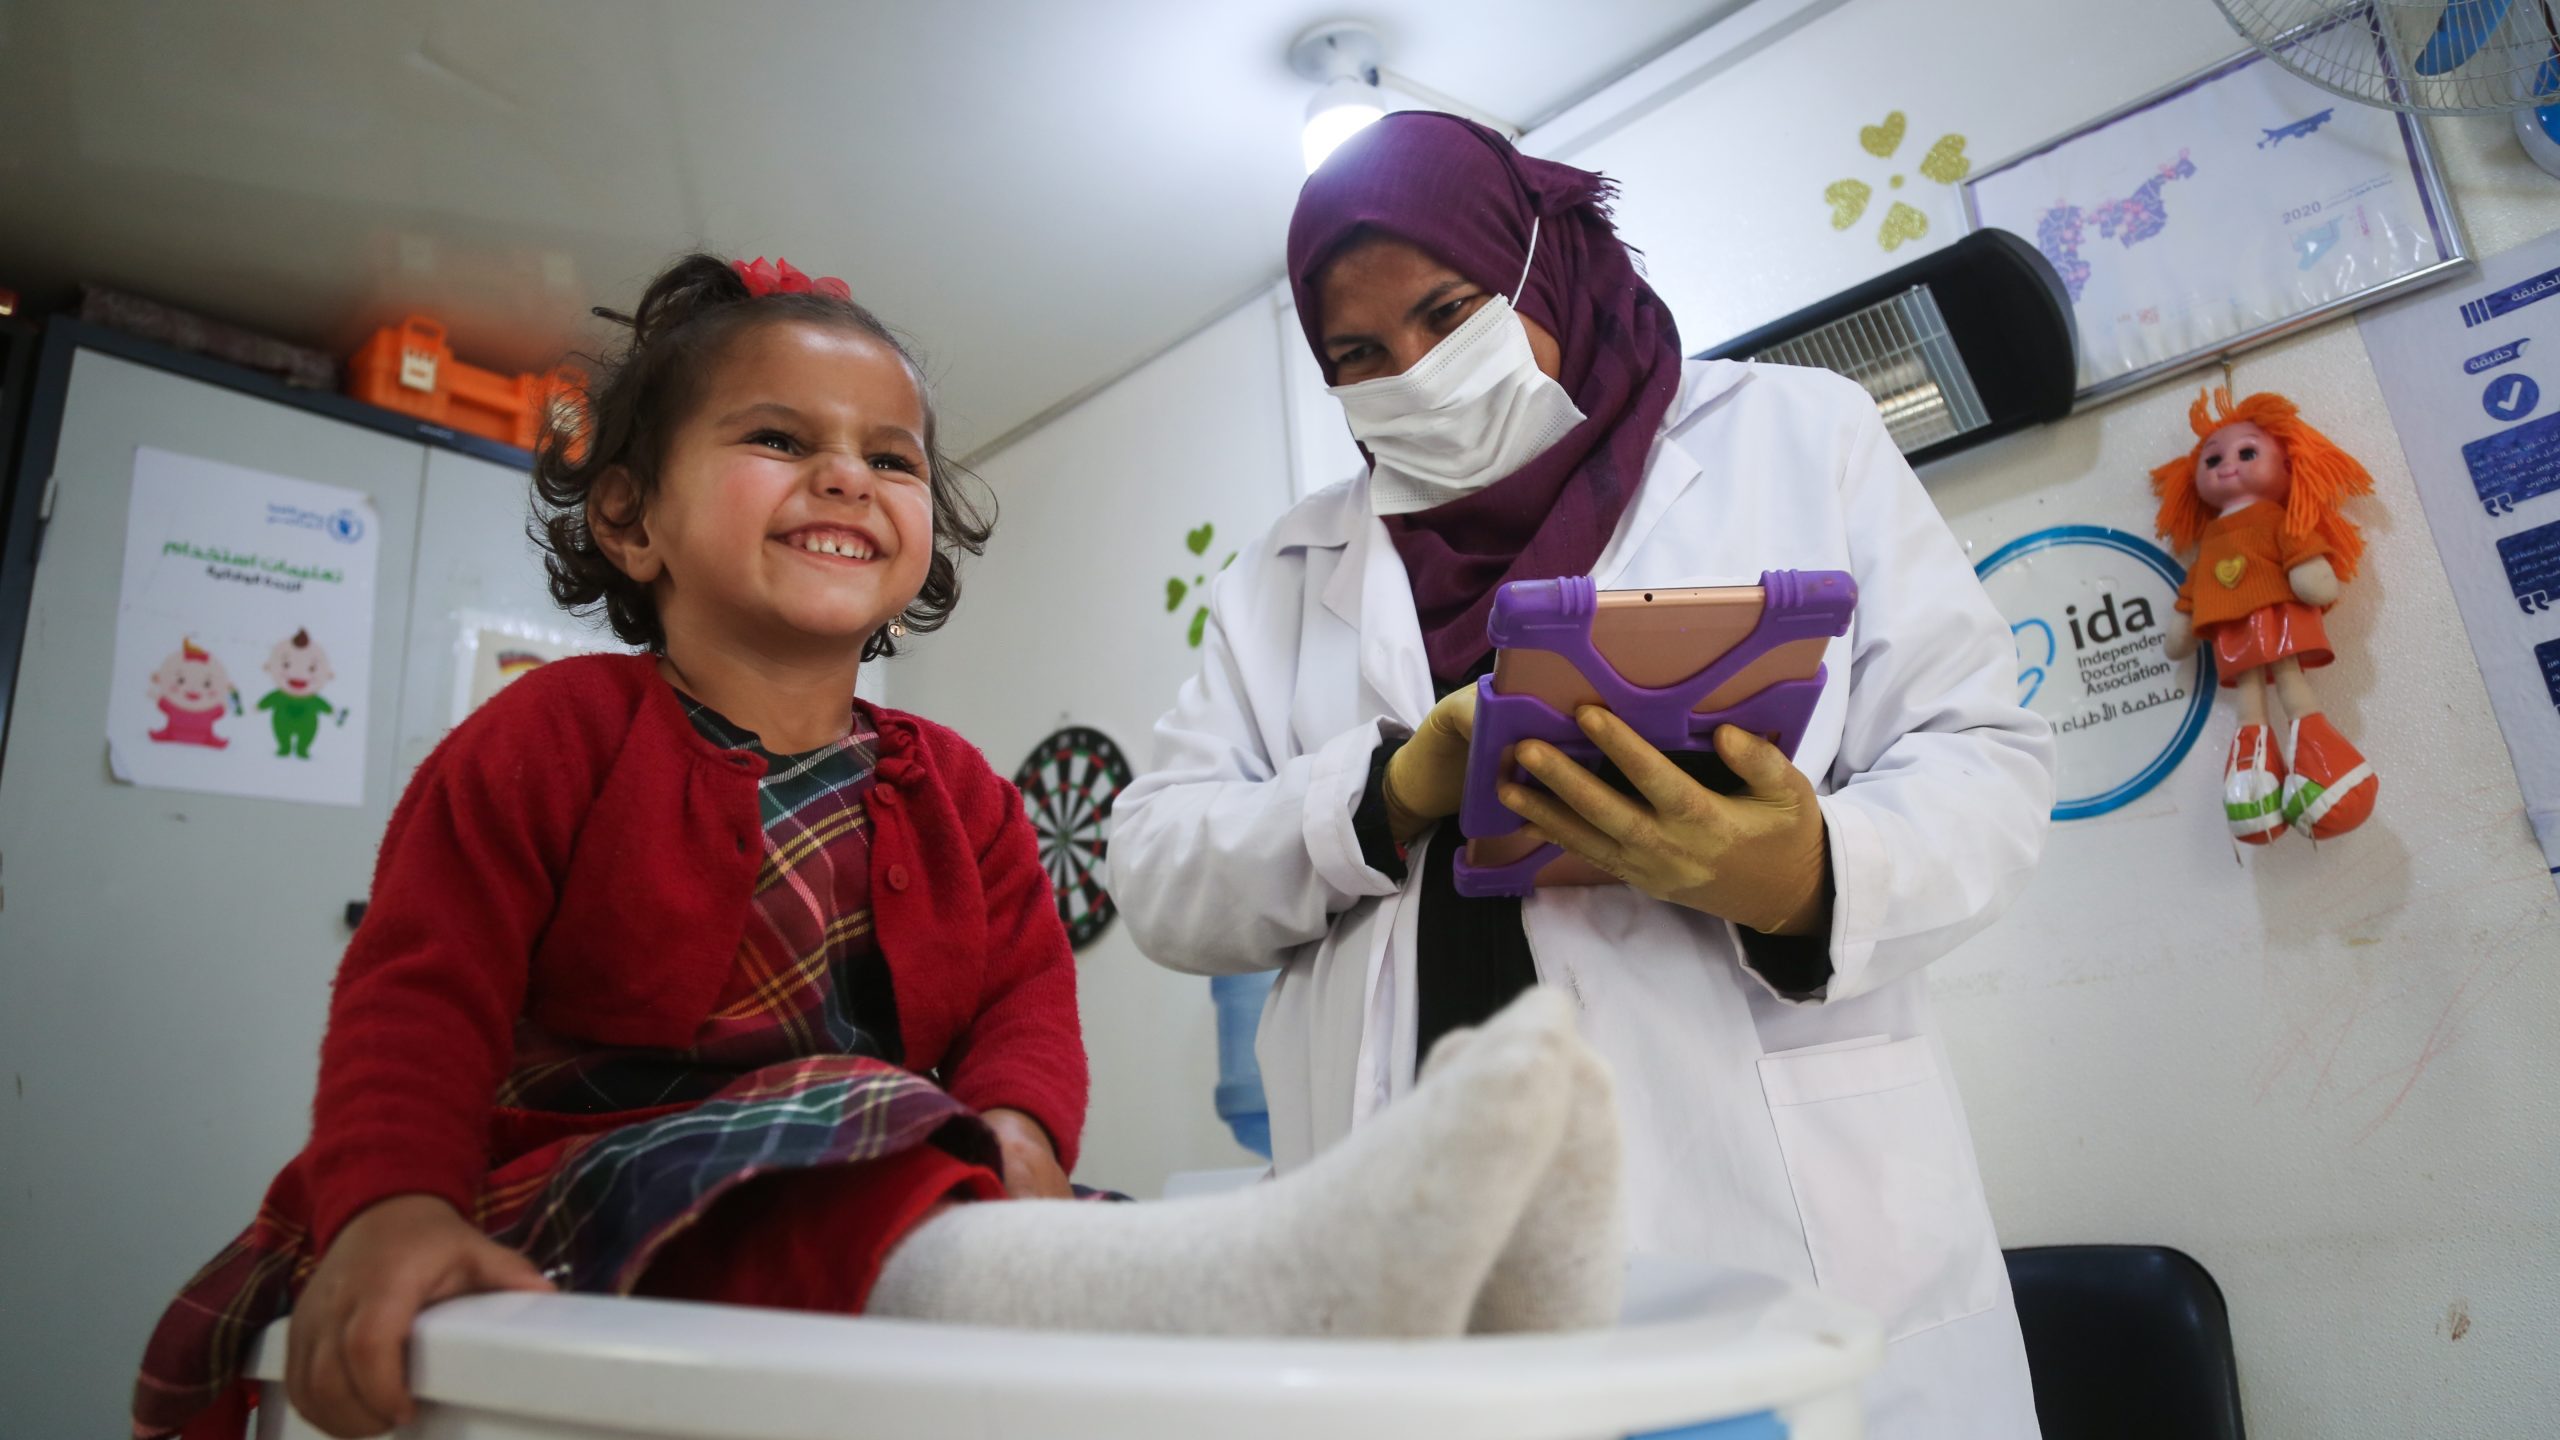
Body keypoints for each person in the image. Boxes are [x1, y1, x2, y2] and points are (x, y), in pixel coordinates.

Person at [131, 253, 1625, 1440]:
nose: (847, 476)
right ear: (634, 520)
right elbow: (417, 996)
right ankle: (1310, 1280)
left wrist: (1024, 1139)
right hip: (587, 1197)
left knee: (1026, 1221)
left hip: (895, 1174)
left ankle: (1463, 1331)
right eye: (779, 440)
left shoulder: (959, 789)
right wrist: (392, 1213)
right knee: (857, 1156)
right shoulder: (548, 739)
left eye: (890, 458)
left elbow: (1027, 1002)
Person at [1110, 114, 2056, 1439]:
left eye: (1451, 312)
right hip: (1426, 1251)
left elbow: (1985, 757)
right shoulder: (1289, 572)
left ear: (1548, 262)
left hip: (1760, 1214)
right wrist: (1382, 792)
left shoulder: (1795, 436)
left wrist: (1806, 874)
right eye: (1359, 356)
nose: (1418, 377)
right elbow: (1157, 869)